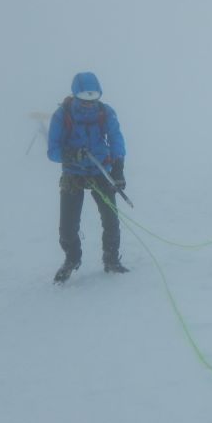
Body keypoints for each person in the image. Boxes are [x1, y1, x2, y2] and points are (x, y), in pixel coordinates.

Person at [47, 72, 128, 283]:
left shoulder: (105, 113)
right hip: (73, 172)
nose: (89, 105)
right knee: (67, 227)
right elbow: (52, 151)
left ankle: (111, 259)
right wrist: (70, 154)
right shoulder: (62, 115)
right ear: (75, 96)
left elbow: (116, 139)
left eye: (93, 100)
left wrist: (118, 168)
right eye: (84, 100)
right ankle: (72, 258)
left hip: (101, 170)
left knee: (111, 219)